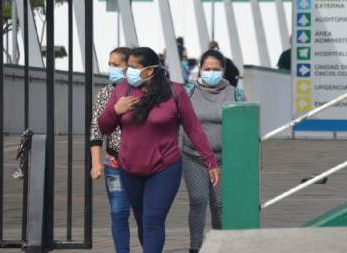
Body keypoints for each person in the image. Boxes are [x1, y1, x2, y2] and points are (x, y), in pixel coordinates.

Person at [98, 47, 220, 253]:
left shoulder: (175, 92)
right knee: (142, 222)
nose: (128, 72)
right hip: (129, 167)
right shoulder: (122, 91)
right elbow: (103, 127)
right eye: (127, 67)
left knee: (153, 219)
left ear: (150, 70)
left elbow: (193, 129)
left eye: (134, 68)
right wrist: (114, 110)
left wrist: (210, 161)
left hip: (165, 167)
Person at [182, 49, 247, 253]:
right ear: (200, 69)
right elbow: (172, 120)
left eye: (216, 69)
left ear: (224, 71)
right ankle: (196, 247)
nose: (211, 72)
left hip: (223, 158)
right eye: (207, 69)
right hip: (193, 157)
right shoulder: (188, 92)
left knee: (219, 204)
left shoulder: (235, 94)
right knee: (198, 201)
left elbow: (248, 125)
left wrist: (257, 153)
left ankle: (220, 245)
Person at [90, 47, 131, 253]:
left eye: (116, 65)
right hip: (114, 165)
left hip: (142, 165)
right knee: (118, 212)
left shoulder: (139, 93)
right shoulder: (105, 93)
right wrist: (96, 162)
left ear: (129, 67)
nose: (111, 69)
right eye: (109, 64)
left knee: (145, 215)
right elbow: (96, 130)